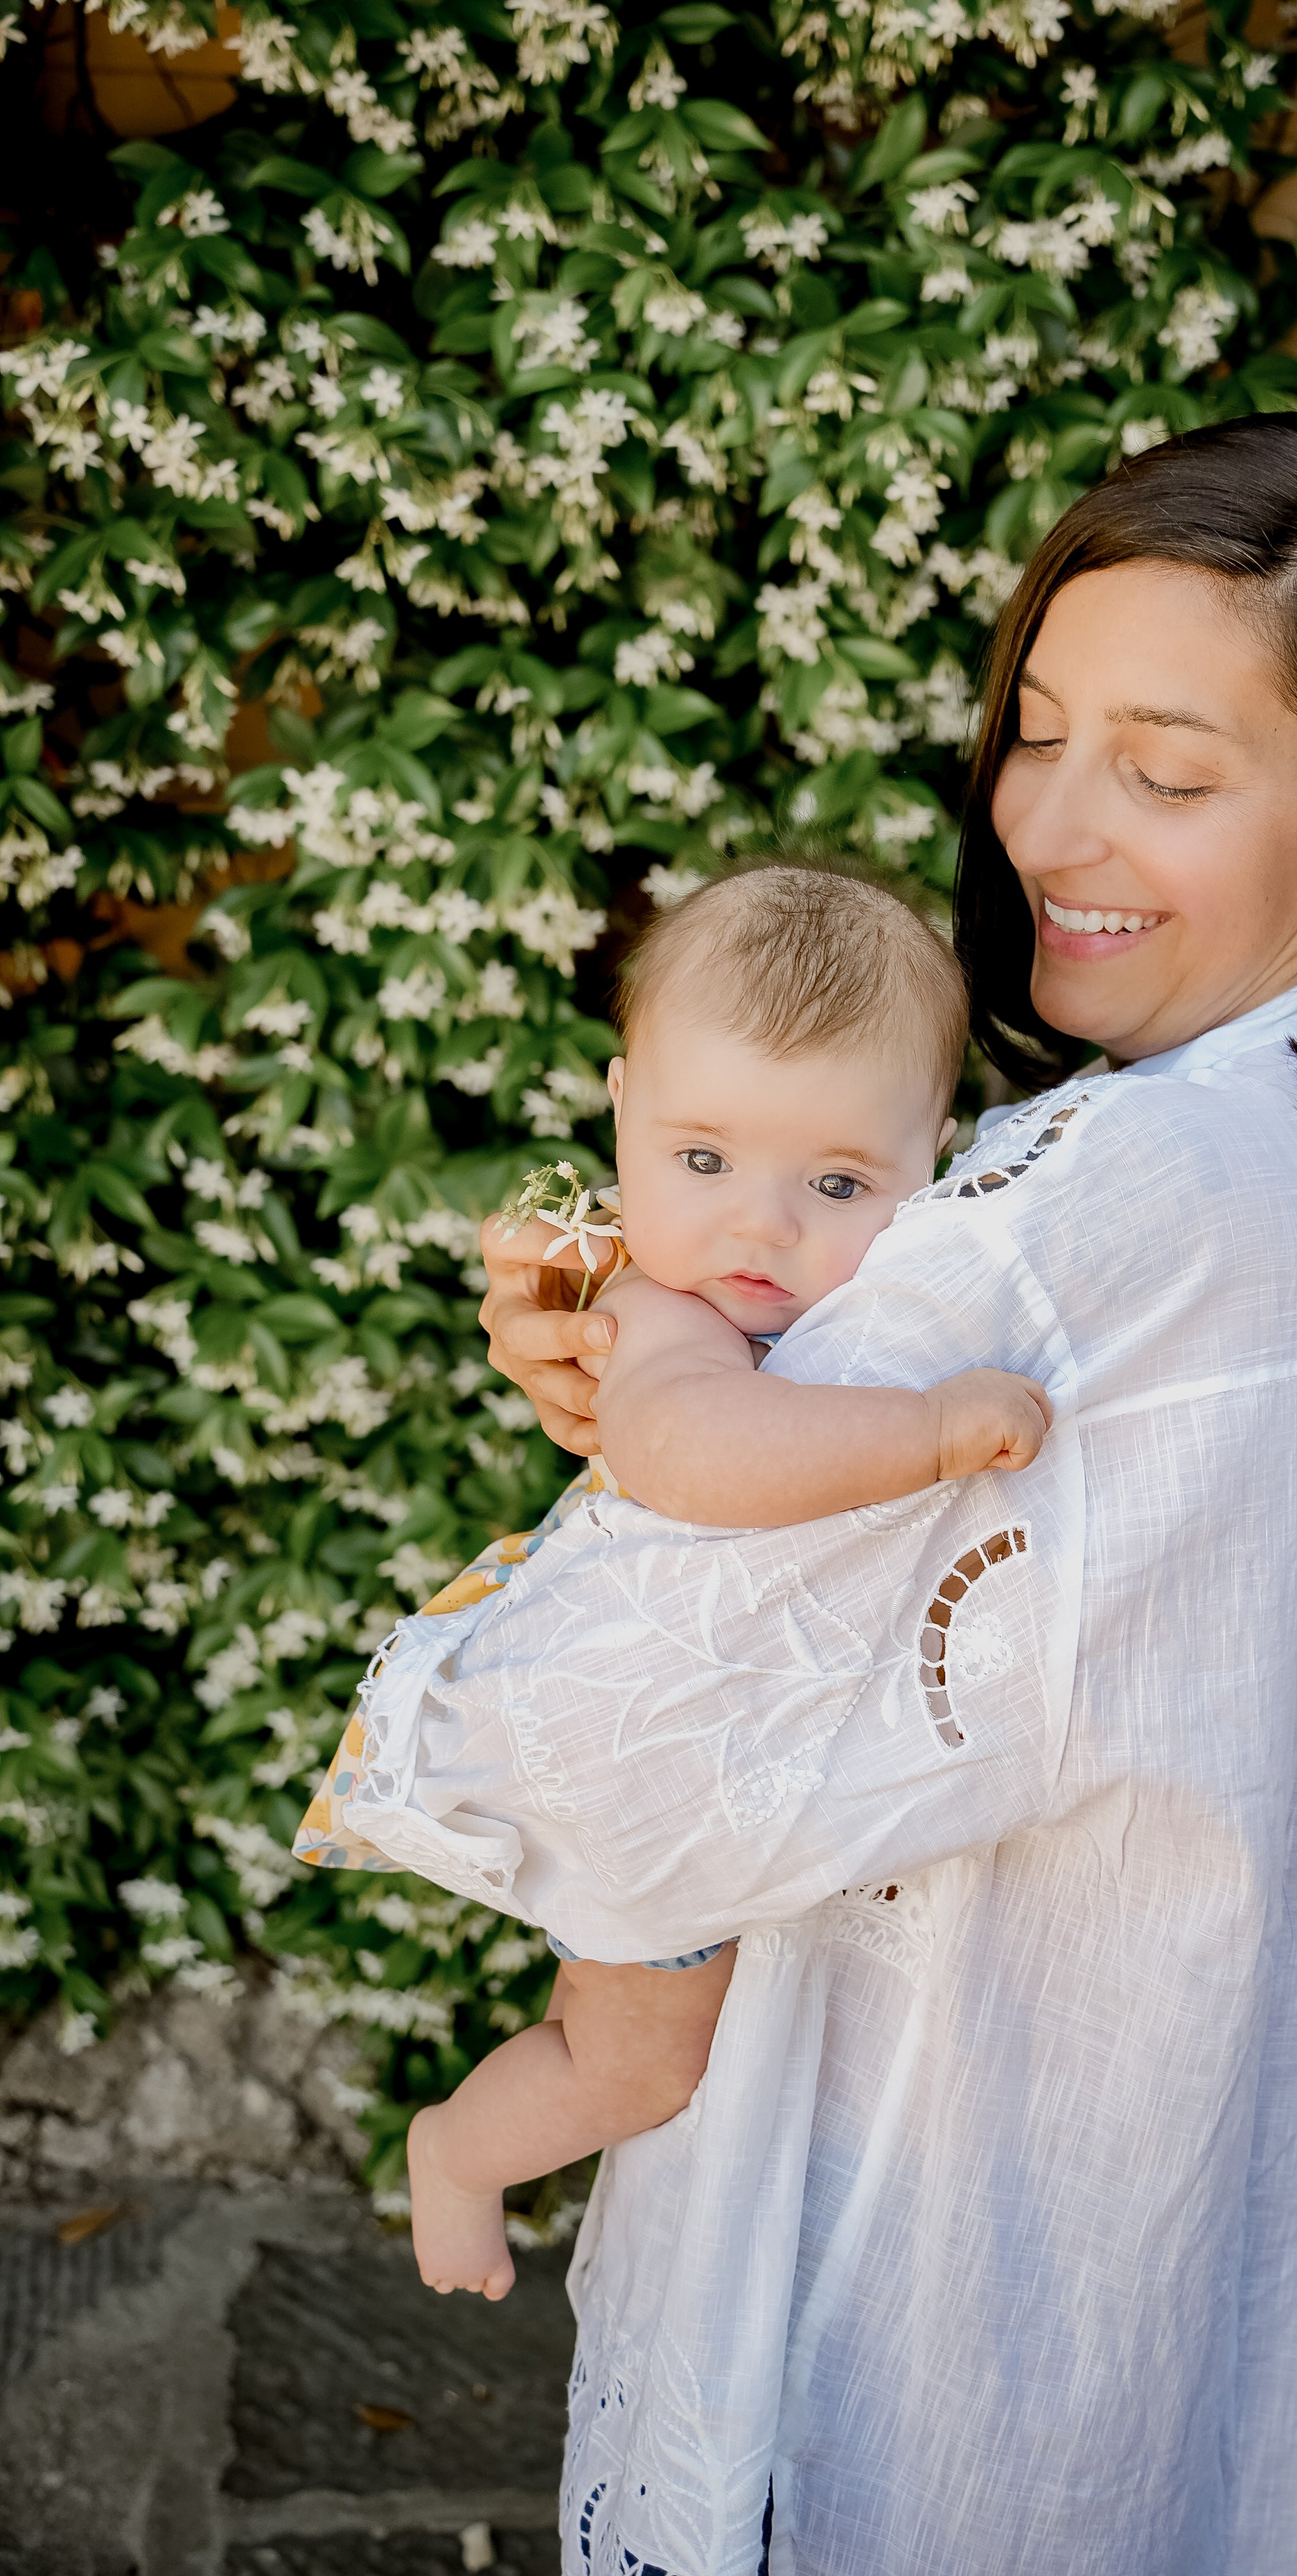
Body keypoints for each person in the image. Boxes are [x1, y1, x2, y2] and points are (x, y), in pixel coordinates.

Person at [383, 416, 1297, 2575]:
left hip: (930, 2241)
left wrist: (656, 1470)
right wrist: (675, 1401)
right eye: (1036, 732)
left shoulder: (1072, 1221)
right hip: (1161, 2201)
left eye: (1171, 775)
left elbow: (616, 1708)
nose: (1053, 828)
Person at [295, 867, 1051, 2300]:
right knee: (636, 2067)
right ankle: (460, 2152)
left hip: (729, 1732)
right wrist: (930, 1434)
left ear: (932, 1157)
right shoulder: (657, 1308)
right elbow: (697, 1453)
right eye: (700, 1161)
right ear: (621, 1110)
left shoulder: (853, 1281)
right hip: (644, 1756)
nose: (757, 1227)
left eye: (834, 1184)